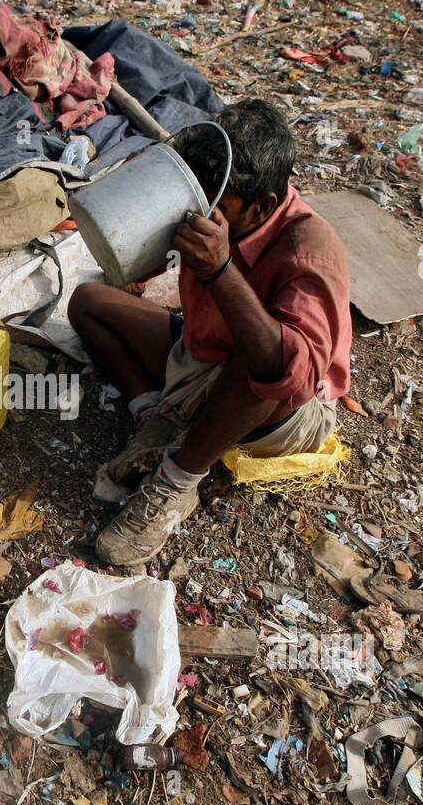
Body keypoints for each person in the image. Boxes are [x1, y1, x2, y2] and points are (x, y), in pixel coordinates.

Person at [68, 100, 352, 566]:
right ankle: (153, 419)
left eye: (216, 202)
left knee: (264, 357)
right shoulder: (215, 210)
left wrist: (219, 269)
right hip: (199, 359)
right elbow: (132, 261)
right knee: (89, 304)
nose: (199, 210)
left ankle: (174, 485)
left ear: (262, 206)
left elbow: (291, 374)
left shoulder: (309, 252)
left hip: (283, 408)